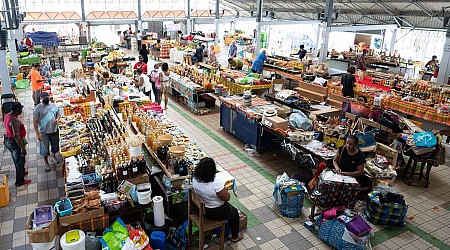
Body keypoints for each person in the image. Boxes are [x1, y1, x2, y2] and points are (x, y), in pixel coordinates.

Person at [192, 158, 243, 242]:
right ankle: (235, 237)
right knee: (234, 213)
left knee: (229, 209)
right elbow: (227, 198)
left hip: (201, 208)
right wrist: (224, 189)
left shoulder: (195, 178)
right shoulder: (216, 183)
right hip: (214, 211)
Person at [4, 102, 31, 186]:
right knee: (18, 161)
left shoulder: (8, 115)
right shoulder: (14, 120)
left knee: (20, 159)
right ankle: (20, 181)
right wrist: (22, 148)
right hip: (14, 142)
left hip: (8, 140)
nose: (21, 111)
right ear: (16, 111)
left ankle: (22, 172)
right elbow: (16, 136)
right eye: (20, 110)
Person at [33, 92, 61, 172]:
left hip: (54, 130)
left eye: (47, 99)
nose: (46, 100)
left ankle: (53, 156)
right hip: (43, 132)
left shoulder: (54, 105)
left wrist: (57, 119)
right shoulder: (38, 108)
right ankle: (46, 163)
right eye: (44, 99)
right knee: (44, 149)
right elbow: (35, 122)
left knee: (55, 146)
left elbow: (58, 114)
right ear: (41, 99)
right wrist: (37, 134)